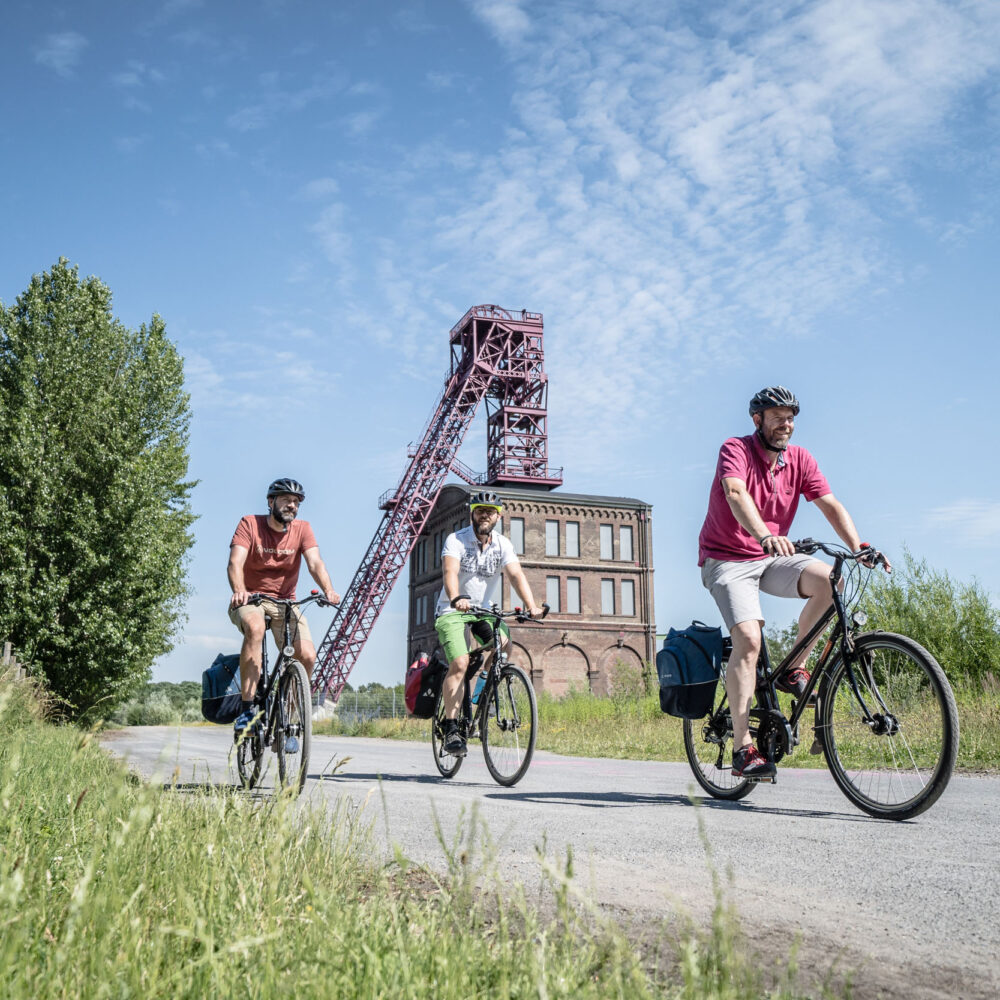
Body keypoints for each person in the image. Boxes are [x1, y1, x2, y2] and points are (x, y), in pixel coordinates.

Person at [698, 386, 890, 780]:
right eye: (777, 417)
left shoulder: (800, 460)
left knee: (830, 579)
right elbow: (735, 493)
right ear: (758, 421)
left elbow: (830, 504)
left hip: (770, 558)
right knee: (749, 639)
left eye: (790, 418)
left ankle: (793, 669)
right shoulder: (735, 449)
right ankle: (741, 748)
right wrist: (764, 534)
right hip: (727, 559)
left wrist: (860, 547)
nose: (785, 424)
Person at [227, 478, 340, 742]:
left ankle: (288, 720)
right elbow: (235, 562)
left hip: (285, 602)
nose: (292, 505)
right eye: (286, 500)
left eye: (297, 502)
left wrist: (329, 589)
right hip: (250, 598)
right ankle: (247, 710)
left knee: (308, 656)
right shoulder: (249, 524)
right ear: (271, 502)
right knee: (255, 629)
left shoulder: (303, 529)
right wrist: (239, 590)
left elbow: (315, 563)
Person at [434, 490, 543, 757]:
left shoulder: (502, 544)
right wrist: (456, 596)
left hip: (481, 610)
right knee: (459, 663)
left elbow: (516, 574)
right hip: (452, 609)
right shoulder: (456, 540)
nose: (485, 515)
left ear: (498, 516)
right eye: (480, 510)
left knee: (504, 646)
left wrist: (532, 606)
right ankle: (450, 728)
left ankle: (483, 689)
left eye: (490, 511)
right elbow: (450, 572)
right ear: (472, 512)